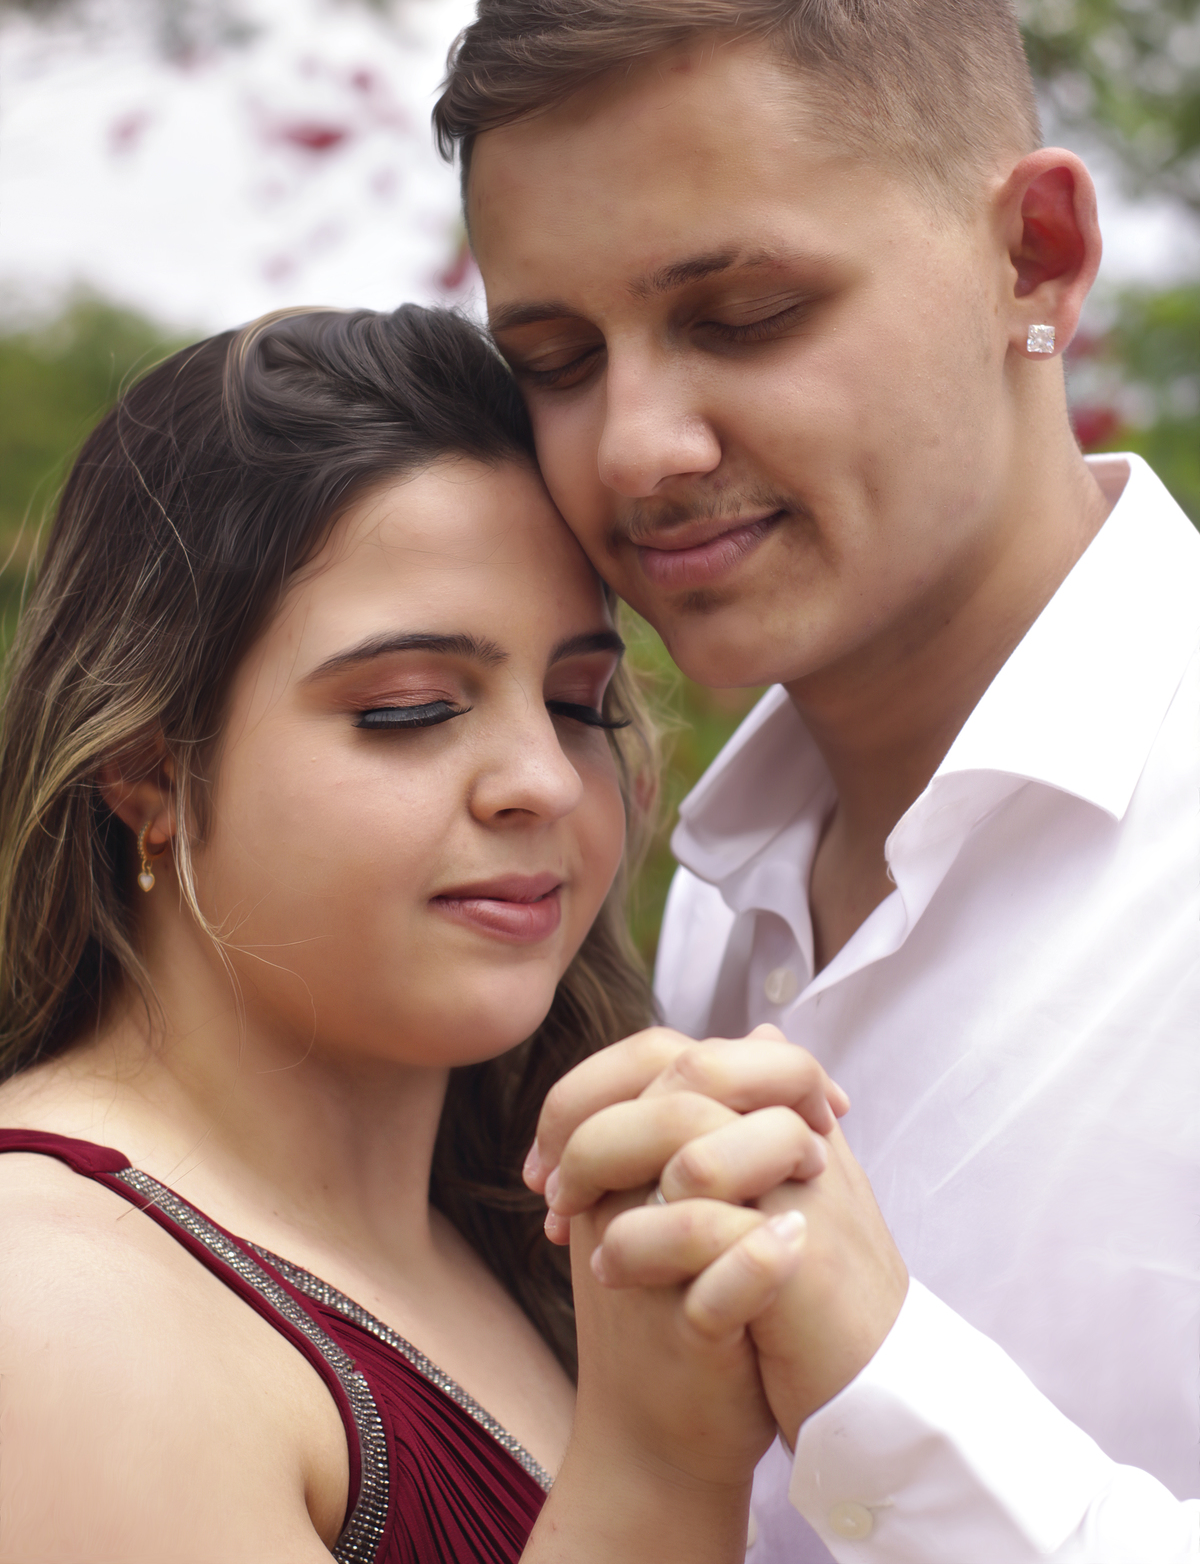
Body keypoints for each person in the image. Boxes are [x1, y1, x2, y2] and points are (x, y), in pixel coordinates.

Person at [433, 0, 1200, 1563]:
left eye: (748, 312)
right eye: (554, 364)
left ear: (1040, 254)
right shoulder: (687, 921)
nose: (638, 448)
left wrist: (883, 1383)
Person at [0, 301, 847, 1564]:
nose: (543, 783)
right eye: (409, 709)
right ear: (146, 770)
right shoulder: (54, 1307)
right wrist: (660, 1472)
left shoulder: (526, 1230)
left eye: (576, 703)